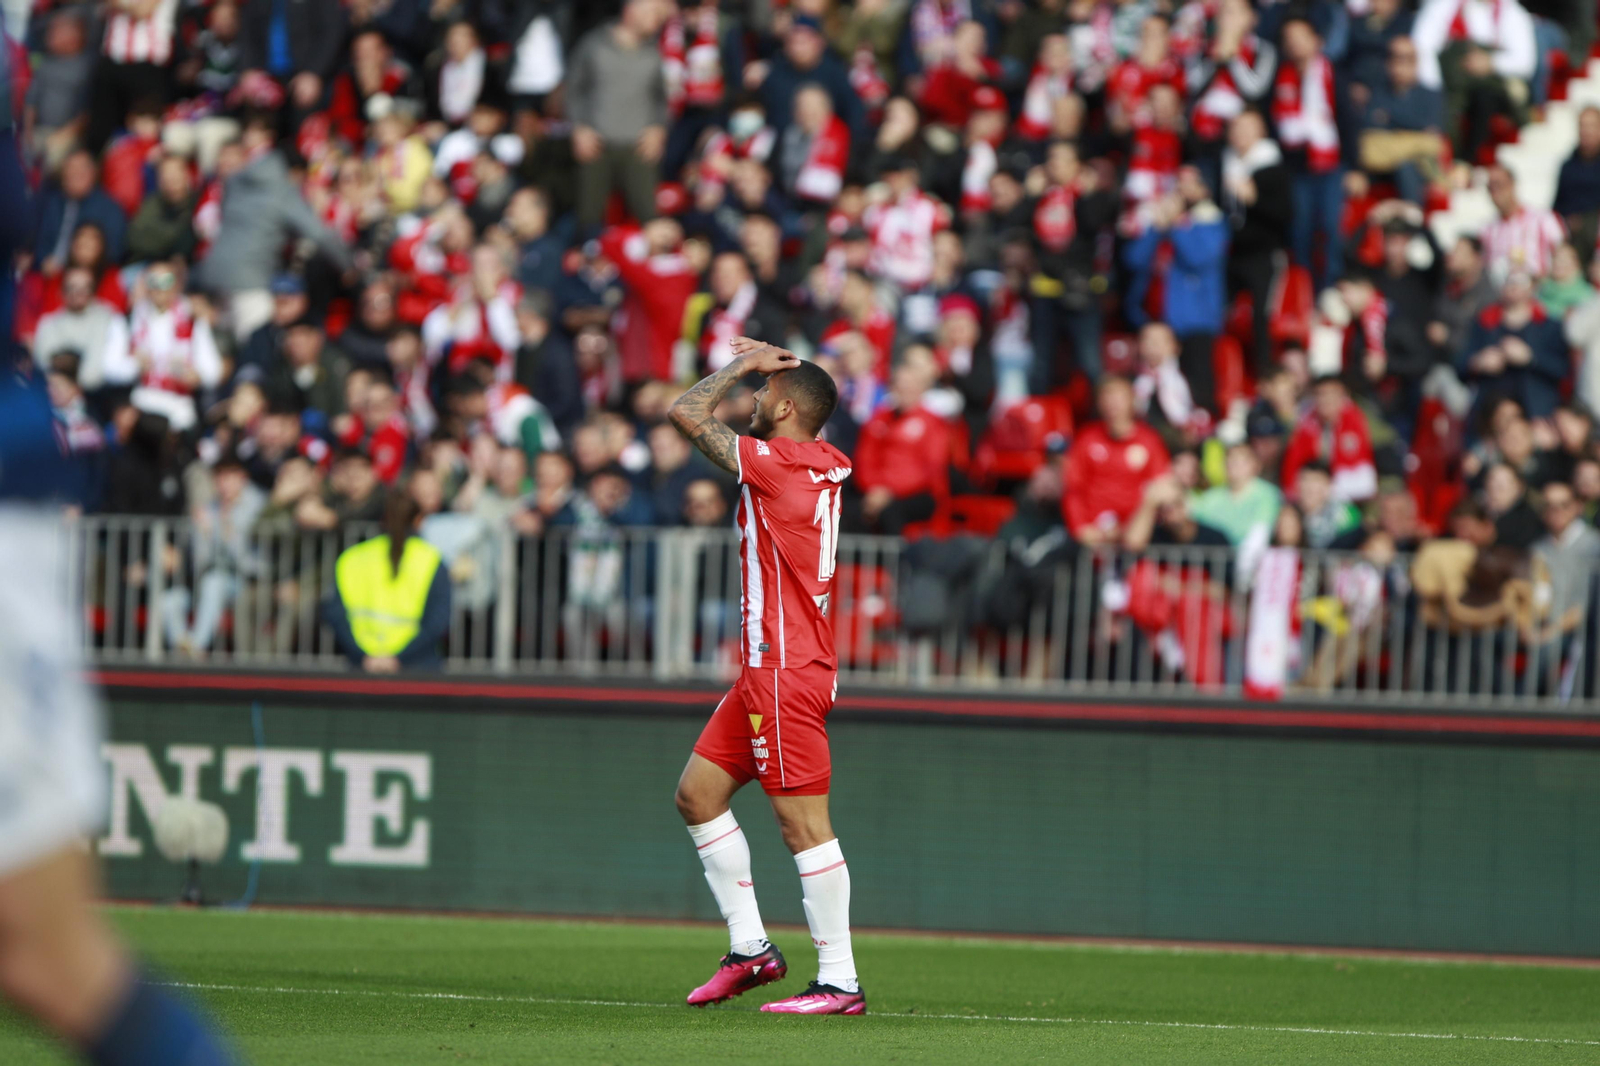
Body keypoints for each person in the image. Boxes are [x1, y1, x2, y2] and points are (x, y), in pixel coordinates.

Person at [666, 336, 865, 1016]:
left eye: (758, 394)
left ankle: (839, 980)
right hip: (772, 670)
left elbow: (686, 413)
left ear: (782, 407)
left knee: (805, 827)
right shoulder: (823, 462)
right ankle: (751, 950)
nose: (749, 401)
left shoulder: (776, 465)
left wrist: (738, 366)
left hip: (782, 671)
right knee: (697, 796)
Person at [325, 489, 452, 672]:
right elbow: (437, 621)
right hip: (417, 667)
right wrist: (398, 657)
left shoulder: (353, 557)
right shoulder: (432, 560)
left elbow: (335, 613)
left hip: (359, 665)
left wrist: (363, 655)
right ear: (418, 520)